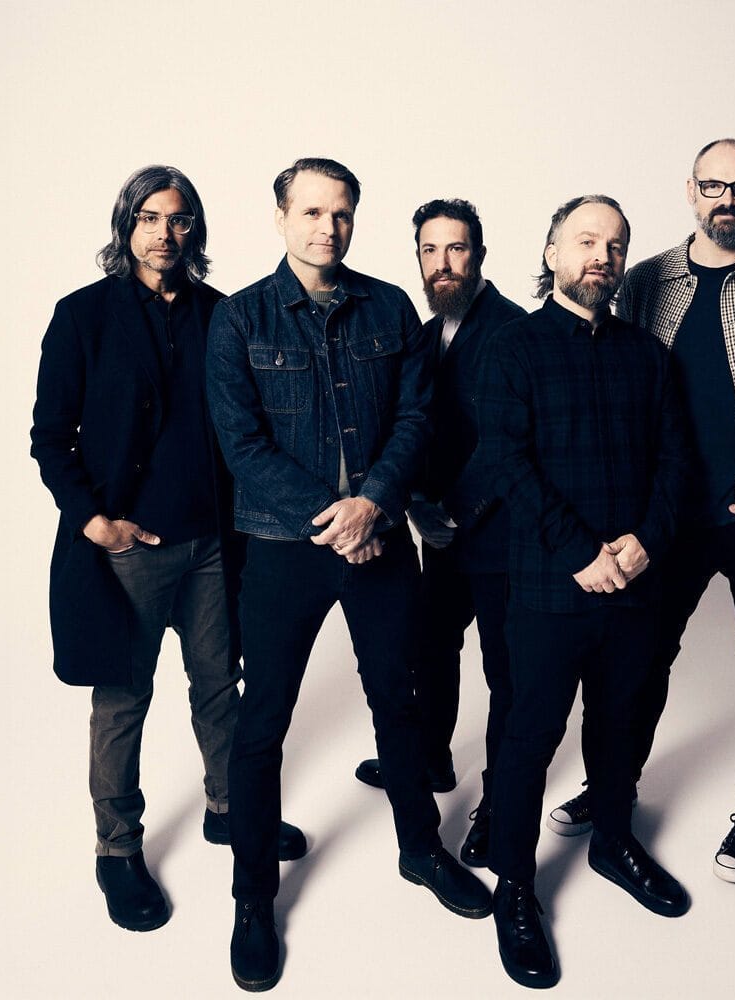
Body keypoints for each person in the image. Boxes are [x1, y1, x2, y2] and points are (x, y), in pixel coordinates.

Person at [206, 158, 492, 992]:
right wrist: (338, 520)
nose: (327, 227)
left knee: (399, 707)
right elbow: (243, 445)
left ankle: (419, 849)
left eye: (342, 213)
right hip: (286, 545)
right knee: (261, 729)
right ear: (281, 218)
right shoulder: (240, 320)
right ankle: (253, 895)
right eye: (312, 211)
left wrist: (373, 501)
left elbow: (417, 415)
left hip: (378, 538)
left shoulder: (390, 306)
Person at [548, 138, 735, 885]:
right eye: (713, 186)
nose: (728, 200)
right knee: (640, 661)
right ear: (690, 190)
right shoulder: (647, 278)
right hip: (666, 517)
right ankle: (614, 788)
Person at [30, 165, 305, 934]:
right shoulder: (82, 316)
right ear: (126, 228)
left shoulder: (223, 315)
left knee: (221, 687)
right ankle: (116, 848)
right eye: (149, 218)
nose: (164, 233)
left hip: (214, 544)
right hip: (128, 550)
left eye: (178, 220)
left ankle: (227, 810)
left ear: (196, 231)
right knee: (122, 700)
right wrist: (95, 522)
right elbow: (50, 439)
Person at [477, 195, 690, 989]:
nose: (602, 255)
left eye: (616, 244)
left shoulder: (647, 354)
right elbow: (508, 462)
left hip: (634, 584)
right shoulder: (514, 348)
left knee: (622, 722)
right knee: (529, 739)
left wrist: (646, 542)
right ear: (553, 250)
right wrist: (579, 553)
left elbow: (676, 464)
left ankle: (611, 839)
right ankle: (517, 887)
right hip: (549, 589)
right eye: (586, 241)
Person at [354, 198, 525, 868]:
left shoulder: (513, 329)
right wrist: (417, 504)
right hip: (440, 531)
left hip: (500, 534)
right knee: (430, 647)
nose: (442, 263)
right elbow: (414, 426)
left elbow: (510, 439)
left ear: (478, 254)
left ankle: (498, 804)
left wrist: (452, 510)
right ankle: (429, 761)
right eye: (430, 250)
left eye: (456, 249)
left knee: (505, 675)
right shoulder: (425, 335)